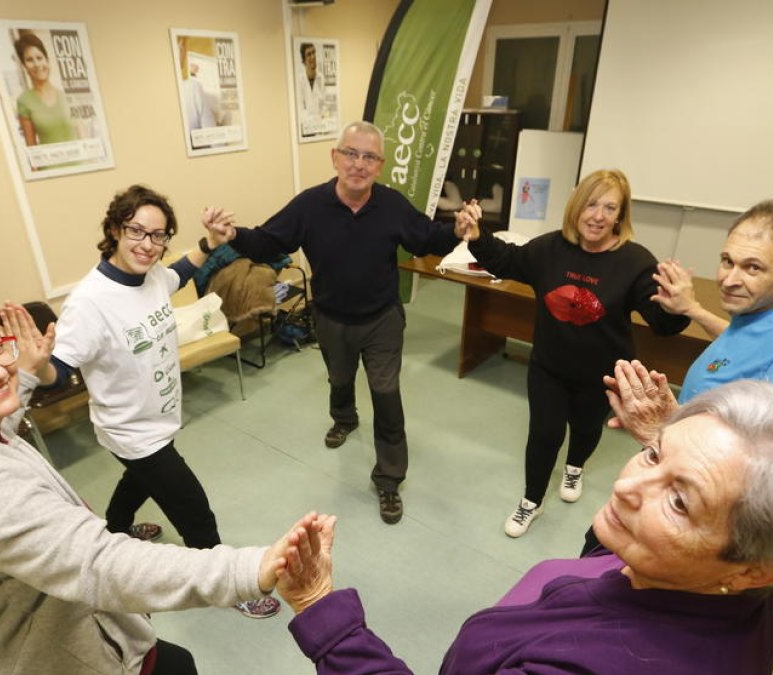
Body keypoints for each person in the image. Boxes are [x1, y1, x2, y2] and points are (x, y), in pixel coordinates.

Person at [271, 380, 773, 674]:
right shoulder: (731, 584)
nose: (627, 484)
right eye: (653, 454)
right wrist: (676, 456)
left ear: (758, 568)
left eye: (680, 501)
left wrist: (324, 612)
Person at [0, 281, 304, 674]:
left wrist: (21, 375)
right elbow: (99, 563)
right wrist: (253, 569)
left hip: (82, 629)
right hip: (60, 654)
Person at [219, 120, 473, 525]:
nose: (359, 163)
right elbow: (269, 242)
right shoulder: (309, 205)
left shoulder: (390, 204)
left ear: (380, 165)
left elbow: (426, 239)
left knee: (386, 392)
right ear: (335, 157)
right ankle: (345, 418)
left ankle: (388, 478)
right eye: (351, 153)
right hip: (331, 317)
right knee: (340, 377)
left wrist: (456, 231)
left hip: (382, 318)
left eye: (369, 156)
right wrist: (233, 234)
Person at [47, 184, 280, 619]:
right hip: (132, 431)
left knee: (138, 481)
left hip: (157, 423)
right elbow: (57, 371)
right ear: (115, 229)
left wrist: (211, 242)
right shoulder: (89, 302)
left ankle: (113, 531)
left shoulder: (151, 276)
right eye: (137, 231)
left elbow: (182, 271)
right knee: (194, 509)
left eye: (158, 236)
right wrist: (35, 366)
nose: (148, 245)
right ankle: (228, 587)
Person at [457, 169, 690, 537]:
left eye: (609, 207)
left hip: (602, 372)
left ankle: (575, 466)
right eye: (591, 204)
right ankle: (531, 501)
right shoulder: (550, 248)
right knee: (544, 434)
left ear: (620, 216)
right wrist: (477, 237)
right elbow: (507, 260)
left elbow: (662, 323)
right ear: (576, 207)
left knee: (584, 428)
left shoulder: (634, 261)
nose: (597, 215)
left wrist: (678, 307)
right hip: (549, 365)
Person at [606, 198, 773, 447]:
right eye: (728, 261)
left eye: (753, 268)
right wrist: (692, 309)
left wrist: (663, 433)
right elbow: (750, 345)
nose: (728, 281)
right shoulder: (770, 315)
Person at [13, 32, 77, 146]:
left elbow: (83, 136)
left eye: (39, 58)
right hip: (50, 163)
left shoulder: (68, 95)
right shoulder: (23, 101)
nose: (37, 64)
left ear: (47, 59)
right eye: (29, 60)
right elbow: (31, 147)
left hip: (82, 162)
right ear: (24, 66)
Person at [296, 42, 325, 136]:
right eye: (308, 54)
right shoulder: (299, 81)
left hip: (320, 130)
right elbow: (301, 110)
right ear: (304, 61)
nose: (312, 57)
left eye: (313, 53)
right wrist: (314, 121)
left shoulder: (321, 78)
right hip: (307, 131)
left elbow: (324, 106)